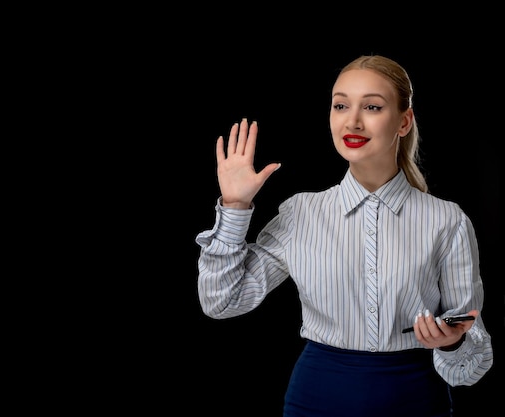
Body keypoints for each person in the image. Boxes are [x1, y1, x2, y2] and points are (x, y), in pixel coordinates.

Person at [195, 55, 493, 417]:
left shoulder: (447, 220)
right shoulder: (300, 213)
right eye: (340, 105)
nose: (352, 120)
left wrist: (450, 343)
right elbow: (222, 302)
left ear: (403, 121)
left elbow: (469, 361)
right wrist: (235, 206)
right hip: (315, 400)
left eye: (372, 106)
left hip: (417, 400)